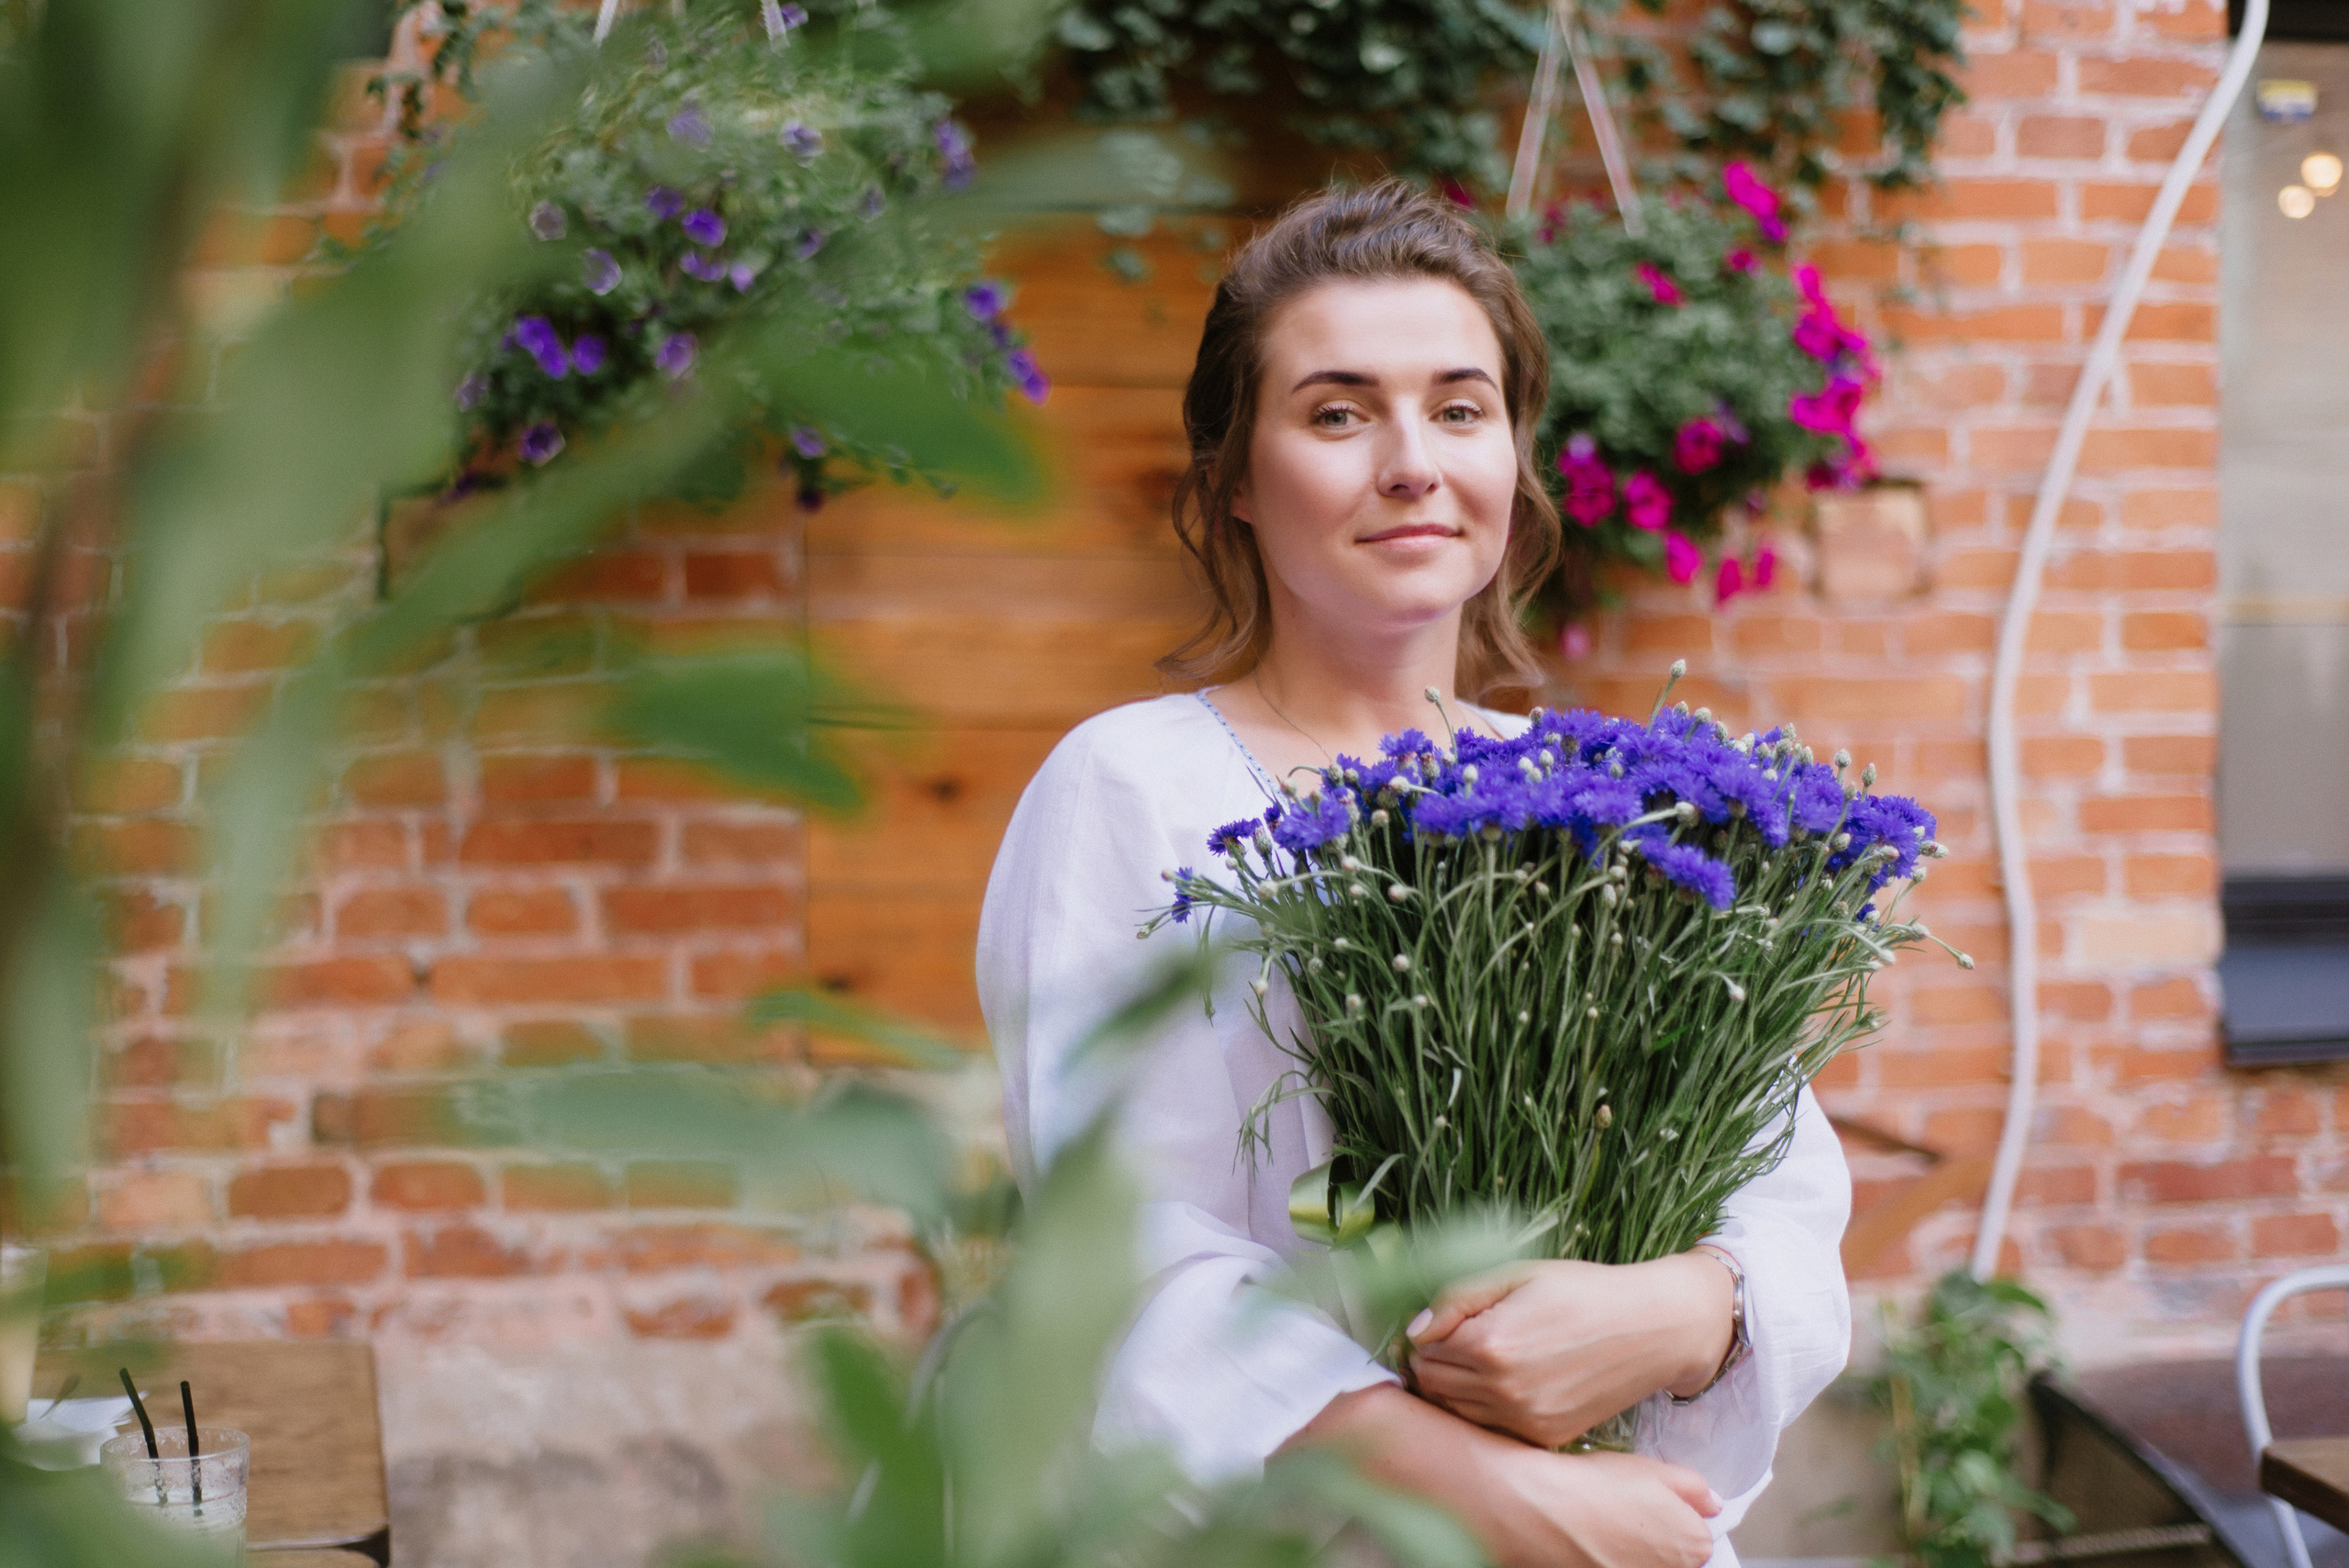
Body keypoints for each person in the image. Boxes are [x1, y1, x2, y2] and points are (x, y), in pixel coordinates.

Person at [975, 180, 1851, 1568]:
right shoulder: (1134, 788)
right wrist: (1492, 1487)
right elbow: (1122, 1249)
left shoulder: (1606, 802)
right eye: (1337, 414)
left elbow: (1779, 1181)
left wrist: (1691, 1309)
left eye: (1459, 409)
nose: (1411, 464)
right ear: (1235, 480)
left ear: (1512, 453)